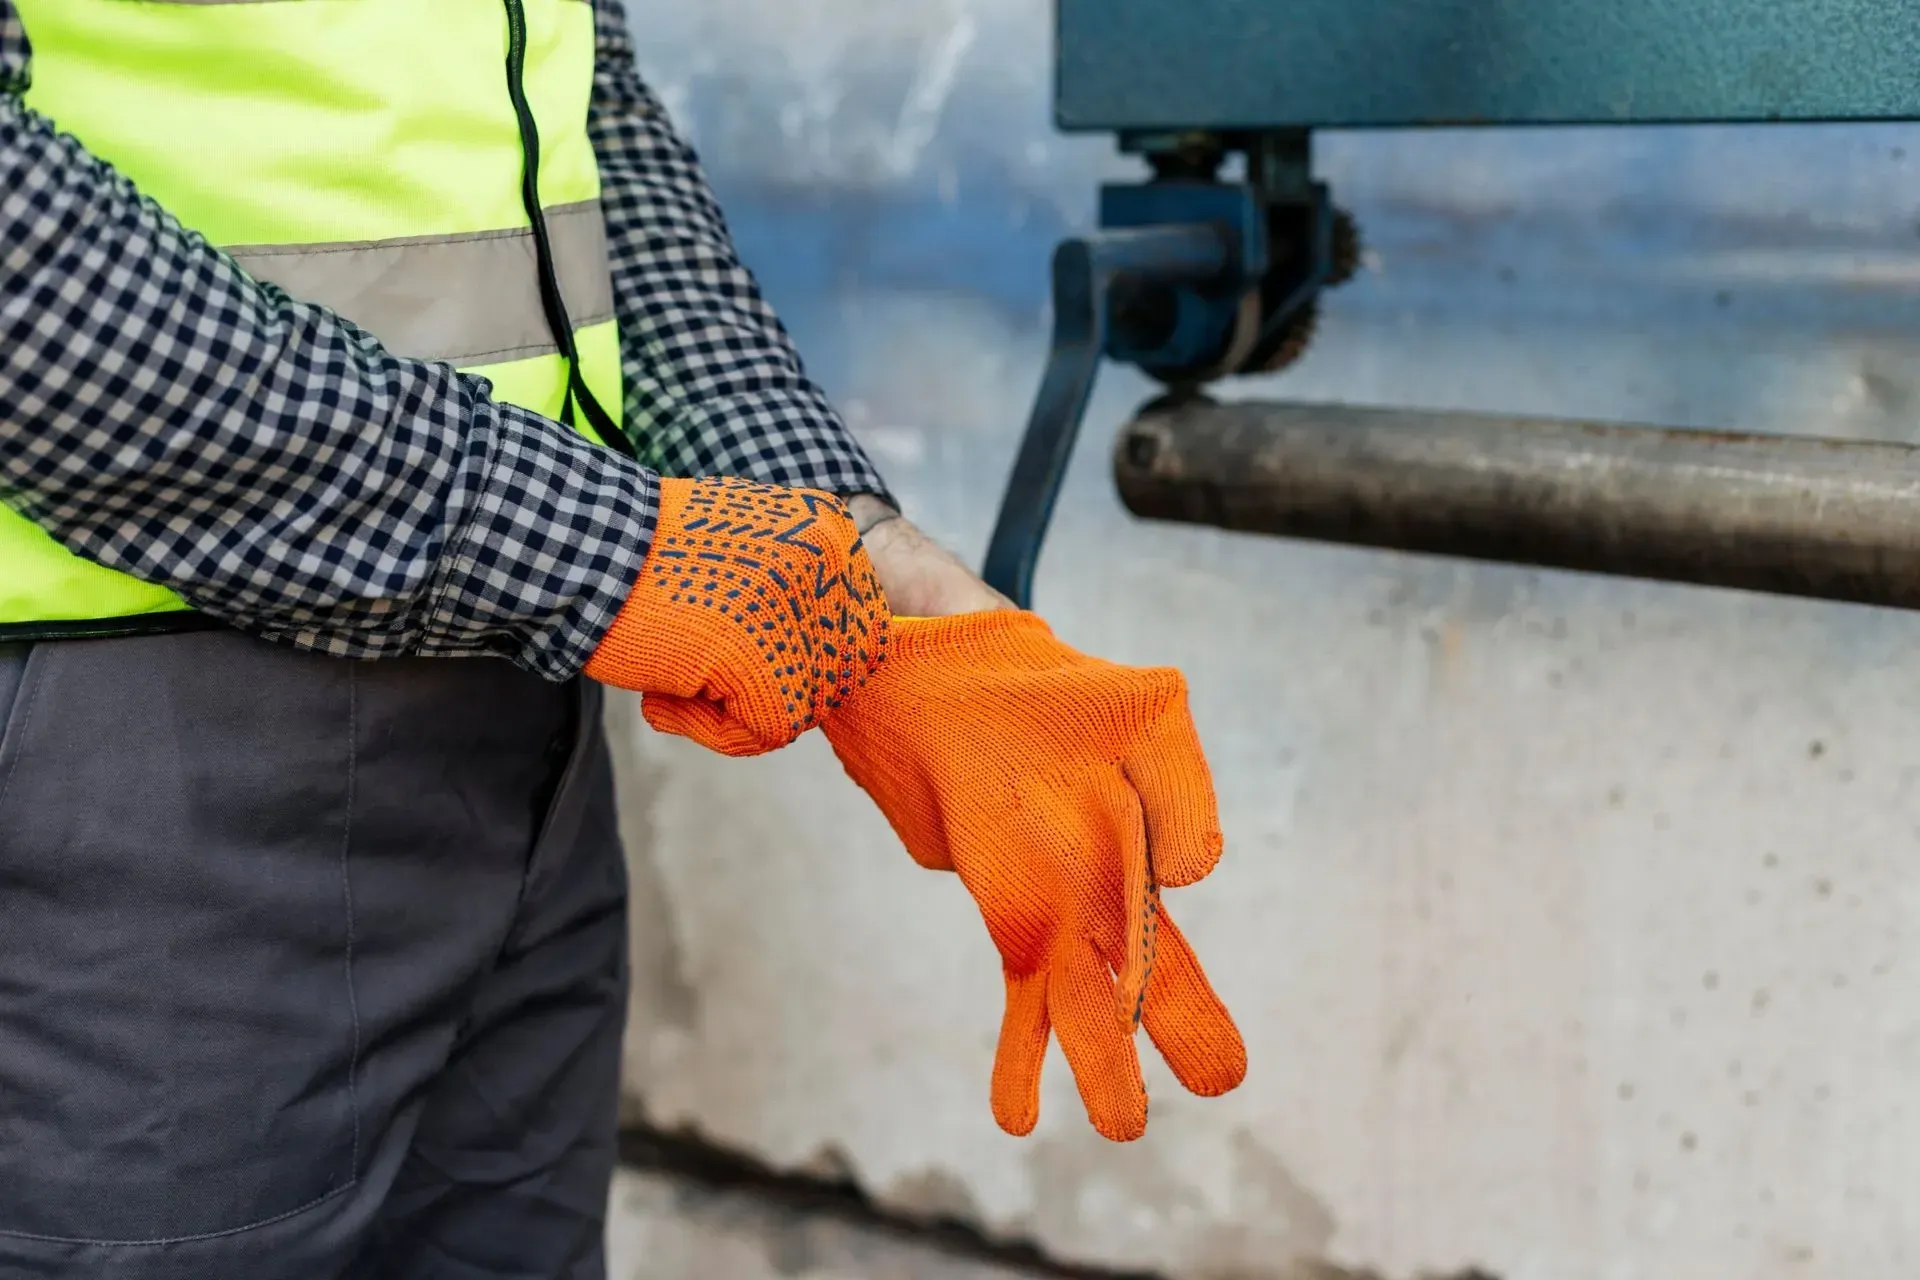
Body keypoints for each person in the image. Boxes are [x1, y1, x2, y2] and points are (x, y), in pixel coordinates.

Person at [0, 1, 1245, 1276]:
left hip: (522, 731)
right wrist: (607, 553)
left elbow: (583, 134)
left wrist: (851, 555)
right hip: (145, 751)